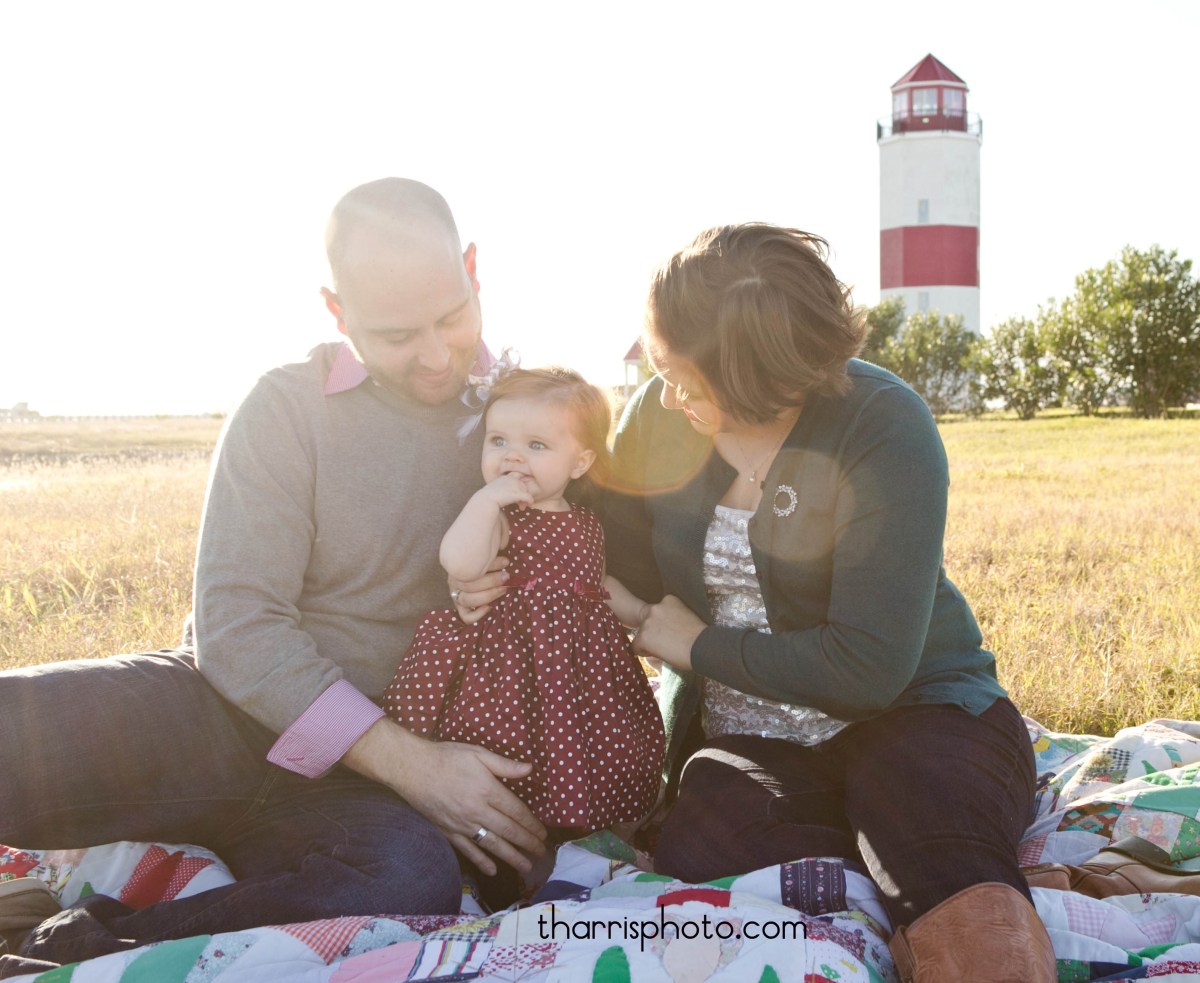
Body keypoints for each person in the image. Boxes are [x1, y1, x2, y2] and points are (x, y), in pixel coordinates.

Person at [0, 178, 547, 974]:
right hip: (215, 717)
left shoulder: (530, 421)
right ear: (337, 311)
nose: (434, 354)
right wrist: (420, 769)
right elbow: (238, 627)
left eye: (452, 317)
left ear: (471, 267)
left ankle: (75, 945)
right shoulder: (285, 408)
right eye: (397, 334)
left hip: (360, 796)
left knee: (407, 883)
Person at [599, 224, 1055, 981]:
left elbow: (867, 668)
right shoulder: (659, 412)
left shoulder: (883, 424)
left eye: (686, 376)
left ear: (759, 374)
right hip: (752, 736)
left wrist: (696, 644)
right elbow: (610, 548)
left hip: (913, 709)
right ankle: (898, 862)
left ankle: (963, 897)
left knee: (923, 818)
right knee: (706, 843)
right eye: (658, 366)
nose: (666, 393)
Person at [381, 367, 664, 861]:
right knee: (521, 751)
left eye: (537, 445)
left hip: (581, 666)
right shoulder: (502, 517)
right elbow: (461, 562)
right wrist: (485, 502)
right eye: (498, 440)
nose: (512, 455)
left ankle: (588, 844)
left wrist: (642, 612)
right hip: (511, 666)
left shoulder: (586, 523)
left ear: (580, 462)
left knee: (591, 745)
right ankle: (520, 848)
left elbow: (596, 586)